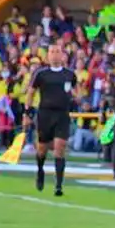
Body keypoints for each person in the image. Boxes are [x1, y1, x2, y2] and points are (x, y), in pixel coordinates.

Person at [22, 43, 75, 196]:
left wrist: (77, 97)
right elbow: (31, 93)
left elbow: (76, 91)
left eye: (58, 51)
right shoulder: (41, 74)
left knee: (60, 147)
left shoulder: (69, 74)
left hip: (62, 114)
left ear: (62, 55)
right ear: (48, 55)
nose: (55, 54)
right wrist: (27, 112)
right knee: (42, 149)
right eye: (52, 52)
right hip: (45, 114)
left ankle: (58, 185)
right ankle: (40, 170)